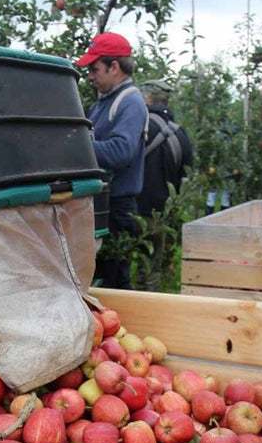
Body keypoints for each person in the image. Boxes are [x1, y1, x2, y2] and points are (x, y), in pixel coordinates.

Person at [74, 32, 148, 289]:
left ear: (114, 67)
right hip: (101, 204)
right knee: (99, 278)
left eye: (95, 69)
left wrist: (76, 148)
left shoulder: (131, 103)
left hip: (118, 208)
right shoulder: (102, 104)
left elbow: (121, 151)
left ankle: (121, 329)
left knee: (115, 280)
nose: (91, 76)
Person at [137, 79, 195, 217]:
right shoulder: (180, 133)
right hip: (166, 214)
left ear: (147, 98)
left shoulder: (139, 127)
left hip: (138, 211)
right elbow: (186, 173)